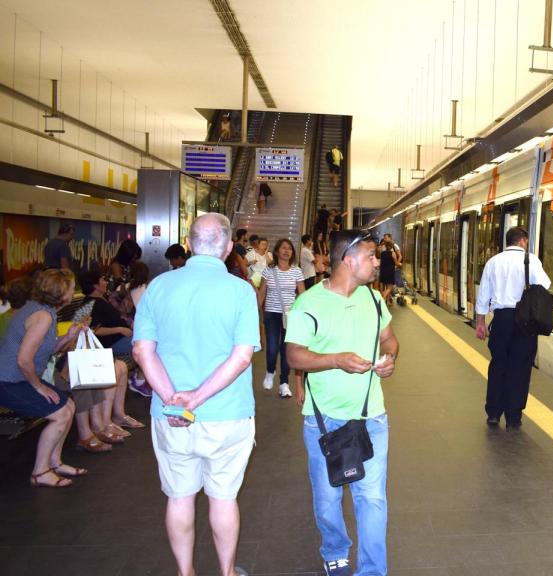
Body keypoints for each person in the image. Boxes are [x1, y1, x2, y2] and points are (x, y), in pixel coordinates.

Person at [132, 212, 260, 576]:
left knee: (179, 497)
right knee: (223, 499)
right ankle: (227, 572)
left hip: (170, 415)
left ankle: (185, 572)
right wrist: (198, 397)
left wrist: (176, 397)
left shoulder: (159, 286)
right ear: (229, 246)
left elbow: (142, 351)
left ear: (188, 244)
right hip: (227, 414)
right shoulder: (240, 291)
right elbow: (242, 356)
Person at [286, 229, 398, 576]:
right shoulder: (309, 304)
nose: (377, 262)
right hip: (324, 422)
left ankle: (372, 570)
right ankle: (335, 548)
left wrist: (389, 358)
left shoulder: (374, 299)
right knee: (328, 498)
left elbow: (389, 339)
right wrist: (336, 360)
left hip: (372, 418)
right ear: (348, 260)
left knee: (373, 499)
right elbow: (294, 356)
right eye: (370, 256)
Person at [0, 269, 85, 487]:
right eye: (71, 288)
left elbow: (46, 351)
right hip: (8, 381)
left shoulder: (42, 311)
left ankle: (54, 462)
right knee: (60, 414)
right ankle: (40, 472)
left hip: (19, 378)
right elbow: (23, 360)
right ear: (62, 293)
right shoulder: (43, 316)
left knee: (69, 406)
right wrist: (39, 387)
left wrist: (67, 337)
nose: (73, 291)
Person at [474, 226, 551, 429]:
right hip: (524, 321)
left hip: (501, 319)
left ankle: (493, 412)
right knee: (520, 368)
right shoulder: (531, 260)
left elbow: (483, 294)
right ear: (523, 241)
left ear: (508, 241)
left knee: (498, 365)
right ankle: (513, 416)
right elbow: (545, 284)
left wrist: (480, 322)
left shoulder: (493, 262)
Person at [259, 238, 306, 398]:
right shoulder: (268, 271)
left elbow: (302, 294)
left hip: (290, 316)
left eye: (289, 249)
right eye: (283, 248)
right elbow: (262, 292)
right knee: (272, 347)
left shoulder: (297, 271)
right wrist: (255, 311)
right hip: (271, 313)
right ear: (277, 251)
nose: (287, 251)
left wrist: (303, 314)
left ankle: (284, 382)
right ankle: (270, 371)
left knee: (286, 350)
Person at [378, 239, 398, 305]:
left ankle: (388, 300)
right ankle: (383, 297)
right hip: (390, 272)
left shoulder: (382, 253)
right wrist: (399, 264)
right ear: (392, 246)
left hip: (383, 271)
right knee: (389, 288)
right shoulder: (393, 253)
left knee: (386, 285)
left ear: (386, 246)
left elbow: (381, 262)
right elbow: (396, 262)